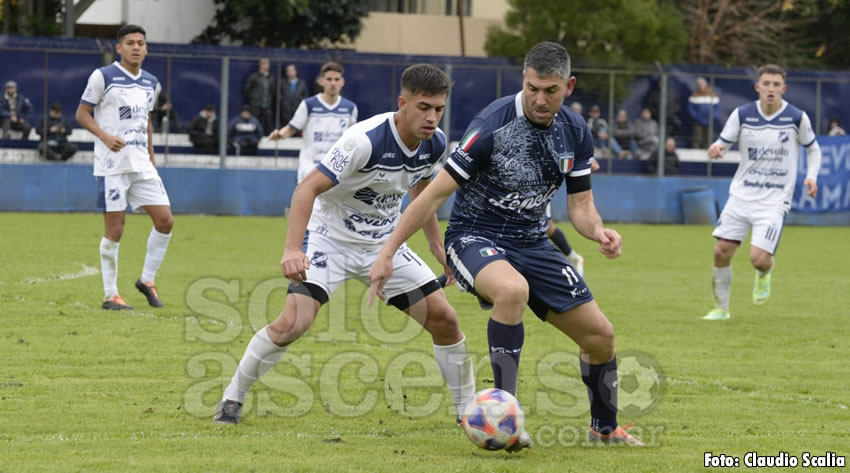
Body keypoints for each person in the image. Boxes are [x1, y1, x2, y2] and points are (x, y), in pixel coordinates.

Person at [369, 42, 644, 447]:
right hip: (474, 236)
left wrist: (599, 231)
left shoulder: (576, 132)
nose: (539, 98)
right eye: (533, 88)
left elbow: (581, 206)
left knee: (600, 336)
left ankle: (605, 430)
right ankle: (504, 416)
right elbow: (429, 196)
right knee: (512, 290)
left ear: (568, 86)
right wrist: (387, 253)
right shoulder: (492, 125)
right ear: (523, 80)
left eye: (550, 90)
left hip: (533, 242)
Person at [214, 64, 475, 429]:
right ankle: (232, 397)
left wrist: (437, 247)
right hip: (329, 239)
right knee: (293, 323)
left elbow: (422, 195)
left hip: (384, 244)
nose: (432, 117)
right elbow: (306, 188)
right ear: (402, 103)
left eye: (438, 109)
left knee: (445, 320)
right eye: (424, 107)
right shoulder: (364, 140)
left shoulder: (436, 143)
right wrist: (292, 249)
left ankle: (470, 413)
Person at [703, 64, 821, 321]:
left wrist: (811, 177)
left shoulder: (796, 117)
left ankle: (764, 273)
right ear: (757, 86)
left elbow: (813, 149)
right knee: (721, 250)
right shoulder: (742, 114)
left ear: (783, 89)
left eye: (776, 85)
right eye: (766, 84)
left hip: (774, 201)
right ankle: (721, 309)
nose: (771, 89)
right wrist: (716, 148)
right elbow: (722, 142)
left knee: (758, 259)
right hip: (741, 196)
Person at [76, 24, 174, 310]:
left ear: (146, 48)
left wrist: (152, 156)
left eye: (141, 43)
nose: (136, 47)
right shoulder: (103, 76)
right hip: (112, 166)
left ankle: (147, 280)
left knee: (165, 221)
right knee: (115, 230)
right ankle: (111, 295)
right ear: (119, 48)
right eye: (130, 43)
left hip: (142, 164)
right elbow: (82, 113)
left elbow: (146, 121)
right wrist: (105, 137)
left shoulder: (151, 83)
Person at [268, 61, 358, 183]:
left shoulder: (350, 108)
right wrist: (280, 134)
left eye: (336, 79)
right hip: (310, 167)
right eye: (329, 79)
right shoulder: (308, 104)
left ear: (342, 82)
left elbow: (352, 138)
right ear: (322, 81)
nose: (333, 83)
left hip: (337, 169)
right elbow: (291, 128)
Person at [244, 58, 275, 134]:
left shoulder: (271, 77)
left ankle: (268, 139)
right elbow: (247, 89)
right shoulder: (254, 76)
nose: (265, 66)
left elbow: (273, 91)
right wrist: (254, 98)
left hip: (267, 105)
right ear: (260, 65)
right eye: (263, 64)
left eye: (267, 64)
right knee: (255, 122)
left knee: (268, 123)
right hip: (255, 105)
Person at [688, 77, 720, 149]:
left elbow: (717, 107)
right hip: (698, 121)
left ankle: (708, 150)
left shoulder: (712, 95)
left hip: (709, 120)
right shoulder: (694, 96)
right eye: (699, 85)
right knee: (697, 137)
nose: (701, 86)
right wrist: (695, 116)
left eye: (702, 85)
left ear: (706, 85)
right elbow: (690, 108)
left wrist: (714, 116)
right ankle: (695, 151)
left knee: (708, 137)